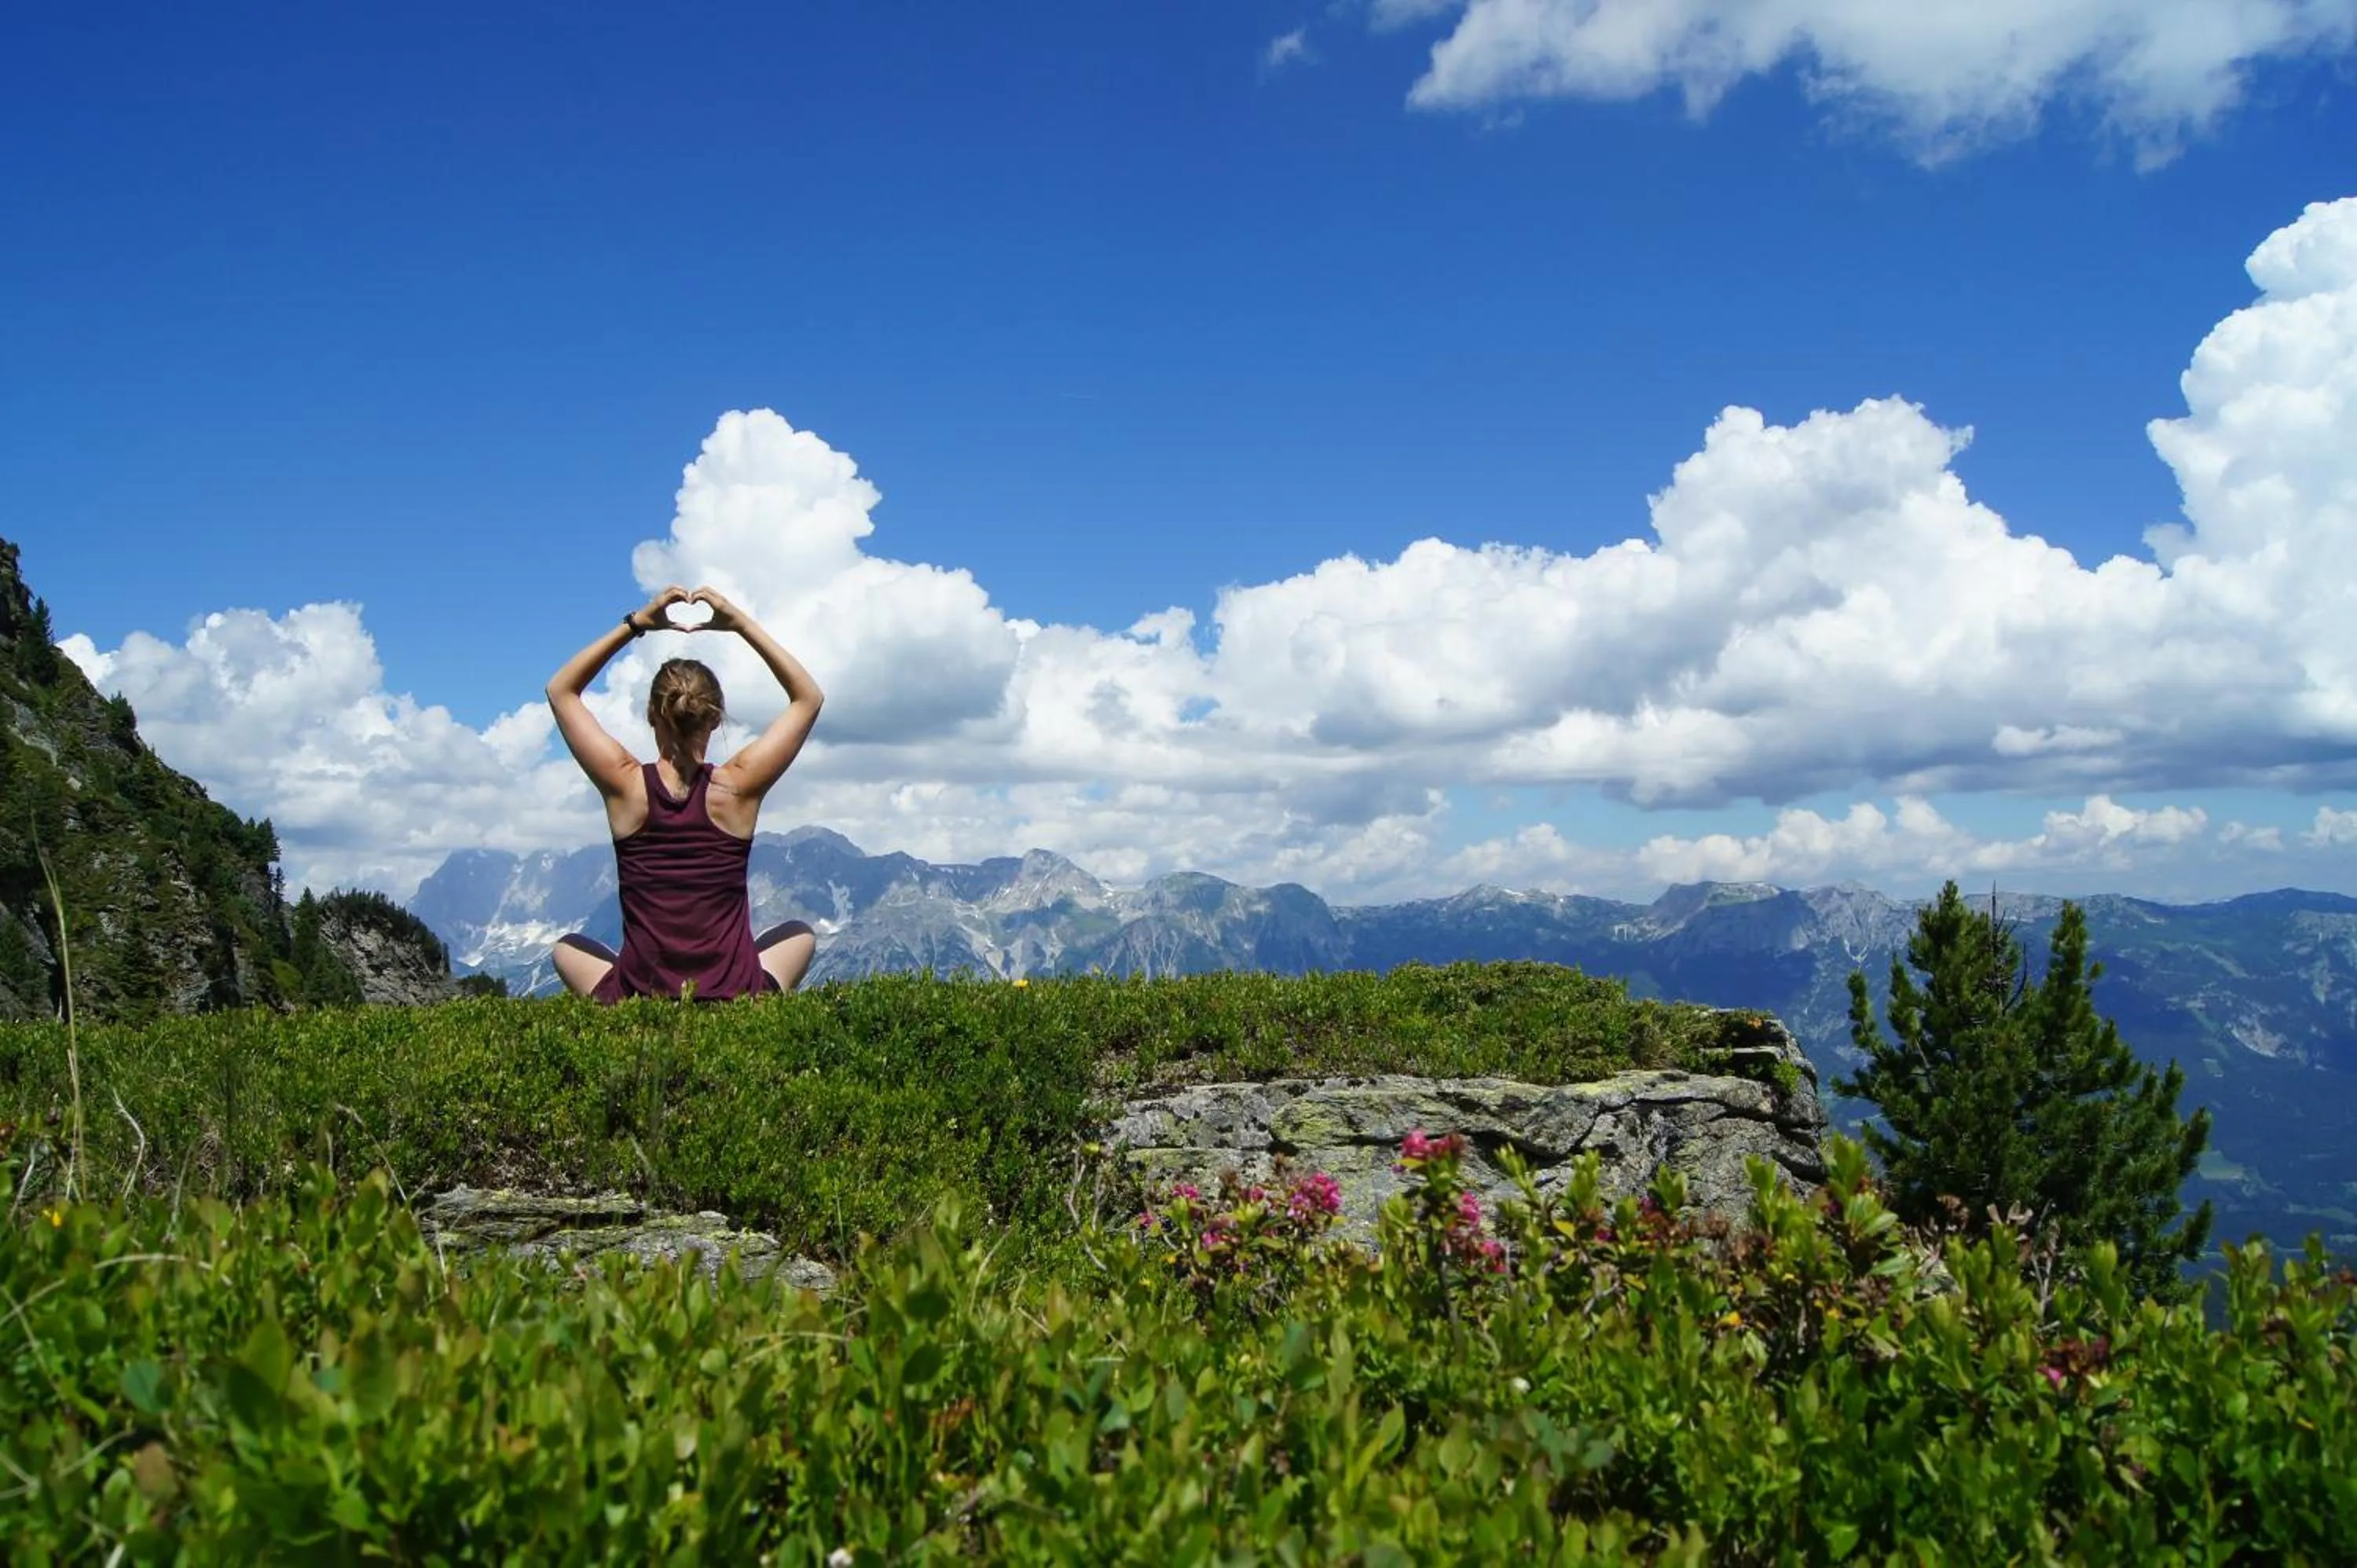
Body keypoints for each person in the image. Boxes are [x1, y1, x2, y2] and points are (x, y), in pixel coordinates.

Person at [544, 584, 824, 1002]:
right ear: (714, 720)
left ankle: (622, 1009)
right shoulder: (738, 787)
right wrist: (739, 623)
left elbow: (560, 690)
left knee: (565, 947)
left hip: (641, 998)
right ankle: (754, 1001)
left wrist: (637, 623)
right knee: (799, 934)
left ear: (651, 715)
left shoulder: (625, 785)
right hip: (734, 995)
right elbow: (808, 698)